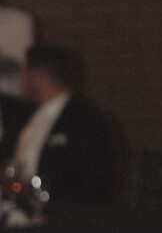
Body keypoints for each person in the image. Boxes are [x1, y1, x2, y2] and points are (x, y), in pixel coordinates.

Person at [14, 43, 113, 204]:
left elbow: (91, 182)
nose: (20, 81)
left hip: (62, 220)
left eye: (24, 73)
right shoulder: (24, 118)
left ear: (38, 77)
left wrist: (33, 190)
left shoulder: (86, 122)